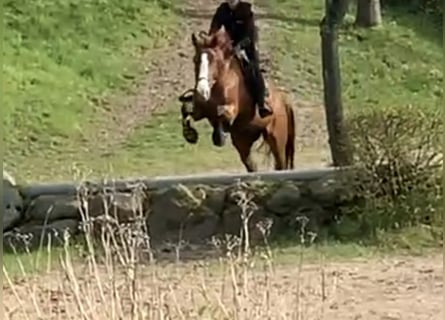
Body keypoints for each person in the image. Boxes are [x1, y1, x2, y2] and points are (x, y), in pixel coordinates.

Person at [208, 0, 273, 118]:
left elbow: (249, 35)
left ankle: (261, 102)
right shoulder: (222, 10)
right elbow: (214, 27)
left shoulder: (246, 10)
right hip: (228, 46)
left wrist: (238, 47)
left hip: (246, 46)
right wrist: (210, 39)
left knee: (252, 70)